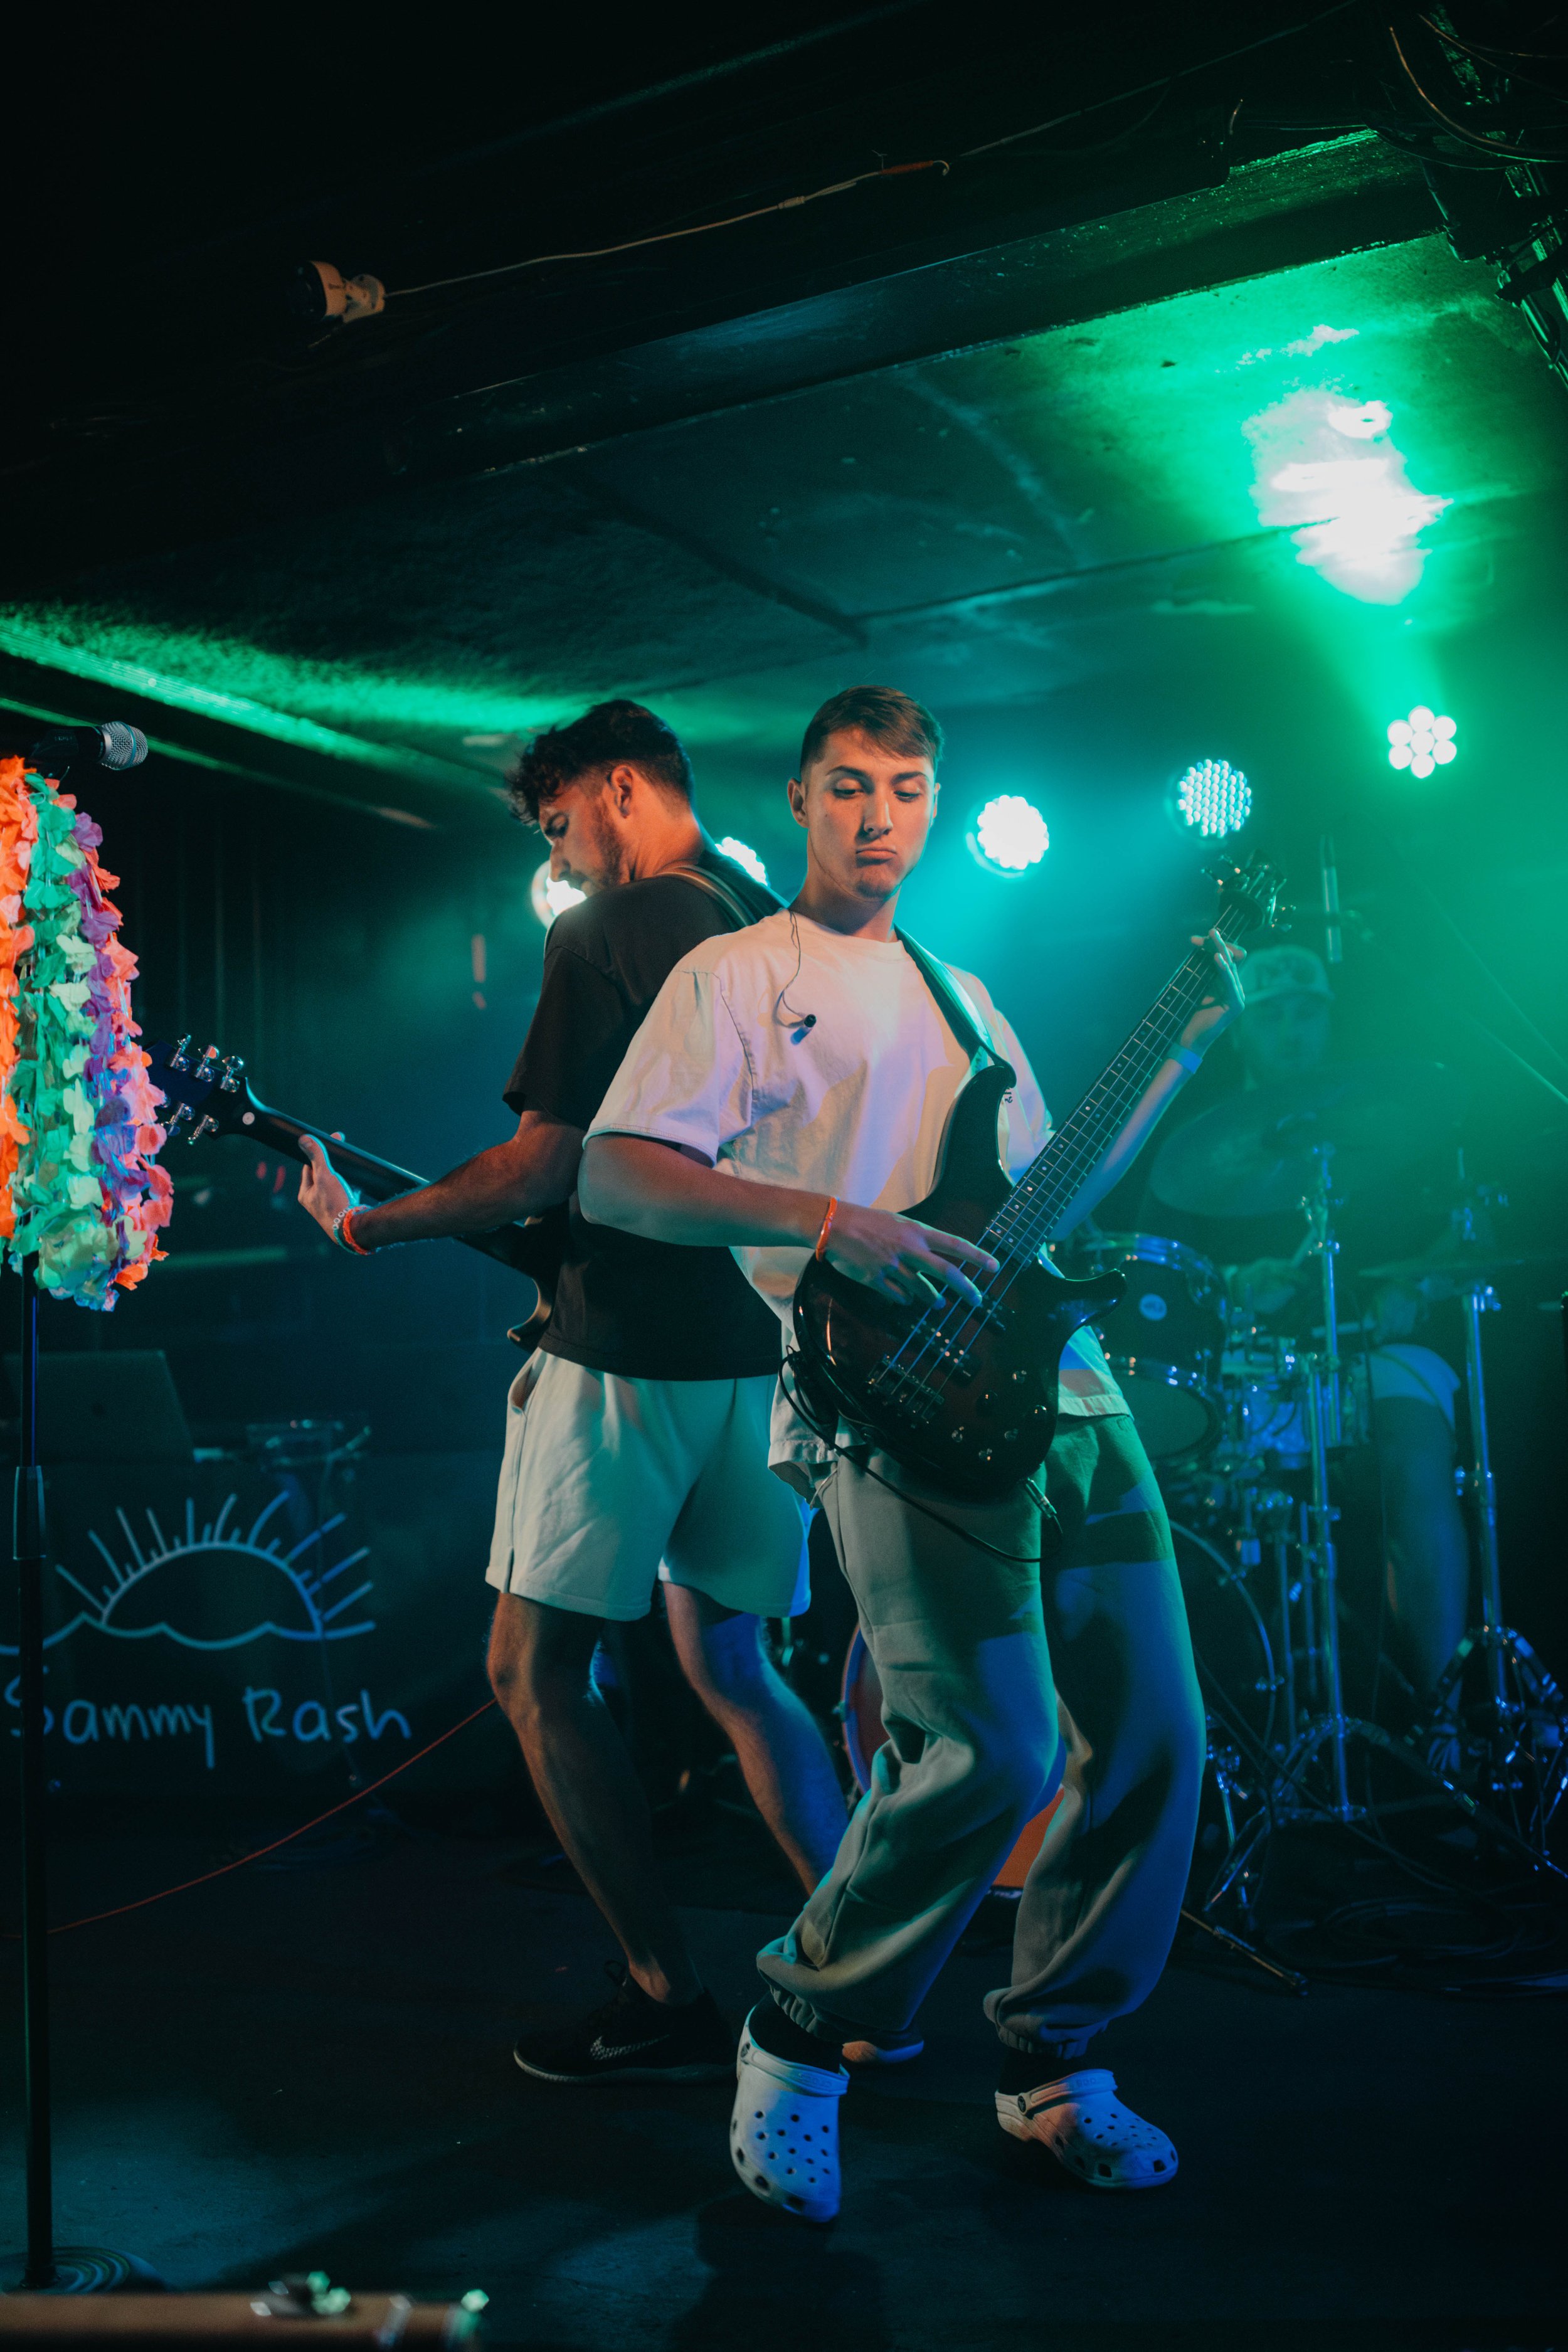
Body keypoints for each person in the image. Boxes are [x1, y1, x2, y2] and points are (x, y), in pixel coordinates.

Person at [578, 684, 1244, 2219]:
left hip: (1062, 1388)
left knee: (1155, 1731)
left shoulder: (963, 991)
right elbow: (619, 1175)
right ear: (803, 800)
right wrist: (833, 1222)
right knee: (988, 1743)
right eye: (853, 787)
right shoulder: (737, 971)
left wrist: (1184, 1049)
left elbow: (1035, 1203)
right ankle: (802, 2029)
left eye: (909, 789)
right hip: (885, 1396)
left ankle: (1056, 2056)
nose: (882, 816)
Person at [296, 698, 849, 2087]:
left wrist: (370, 1222)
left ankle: (665, 1993)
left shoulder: (601, 931)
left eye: (560, 827)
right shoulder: (777, 926)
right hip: (765, 1362)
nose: (567, 859)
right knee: (735, 1666)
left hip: (626, 1362)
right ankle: (861, 1973)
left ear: (614, 790)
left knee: (528, 1671)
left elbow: (544, 1166)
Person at [1144, 942, 1469, 1701]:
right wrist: (1228, 1285)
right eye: (1274, 1016)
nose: (1292, 1031)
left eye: (1307, 1015)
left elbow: (1471, 1224)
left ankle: (1440, 1720)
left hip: (1374, 1354)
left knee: (1411, 1460)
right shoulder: (1193, 1146)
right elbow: (1146, 1275)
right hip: (1245, 1370)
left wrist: (1412, 1283)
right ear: (1242, 1031)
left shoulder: (1398, 1126)